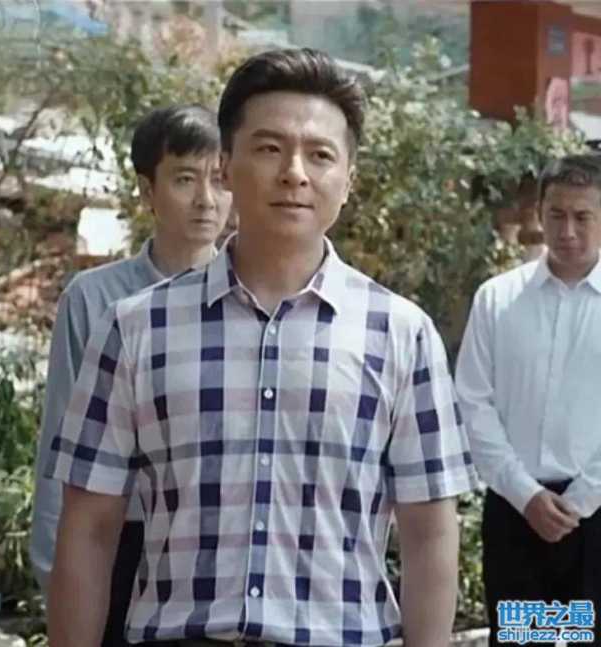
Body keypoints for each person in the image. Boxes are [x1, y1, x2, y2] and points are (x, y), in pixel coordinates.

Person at [47, 48, 477, 647]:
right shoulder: (137, 328)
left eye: (320, 155)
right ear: (226, 166)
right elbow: (89, 530)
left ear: (348, 181)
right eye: (270, 148)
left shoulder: (401, 335)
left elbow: (429, 535)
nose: (294, 173)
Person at [31, 104, 231, 647]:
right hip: (115, 539)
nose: (206, 200)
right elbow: (61, 443)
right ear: (147, 190)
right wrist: (52, 571)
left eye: (219, 180)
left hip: (213, 547)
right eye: (185, 179)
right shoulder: (94, 299)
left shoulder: (250, 301)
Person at [456, 153, 601, 646]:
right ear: (540, 213)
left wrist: (580, 501)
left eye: (583, 216)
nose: (568, 231)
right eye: (556, 214)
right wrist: (526, 495)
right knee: (525, 640)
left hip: (595, 517)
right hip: (516, 514)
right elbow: (472, 403)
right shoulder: (497, 299)